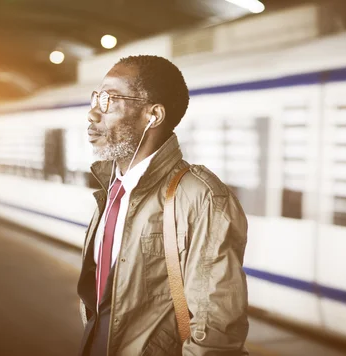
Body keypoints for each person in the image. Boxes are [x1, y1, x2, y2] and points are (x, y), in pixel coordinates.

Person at [77, 55, 250, 356]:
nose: (93, 114)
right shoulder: (112, 187)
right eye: (97, 98)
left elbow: (215, 336)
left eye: (110, 99)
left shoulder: (201, 197)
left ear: (153, 116)